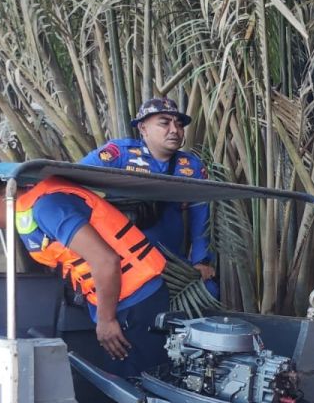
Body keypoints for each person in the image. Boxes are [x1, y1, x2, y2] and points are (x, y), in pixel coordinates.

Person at [0, 174, 168, 377]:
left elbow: (105, 260)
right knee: (121, 377)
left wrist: (106, 320)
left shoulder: (49, 208)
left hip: (136, 301)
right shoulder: (31, 207)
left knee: (137, 384)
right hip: (114, 299)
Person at [80, 98, 216, 288]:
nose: (174, 130)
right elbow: (72, 179)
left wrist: (201, 261)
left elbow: (201, 215)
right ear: (143, 129)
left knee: (209, 290)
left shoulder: (191, 166)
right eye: (164, 123)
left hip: (171, 266)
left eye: (179, 124)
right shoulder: (119, 155)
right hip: (120, 261)